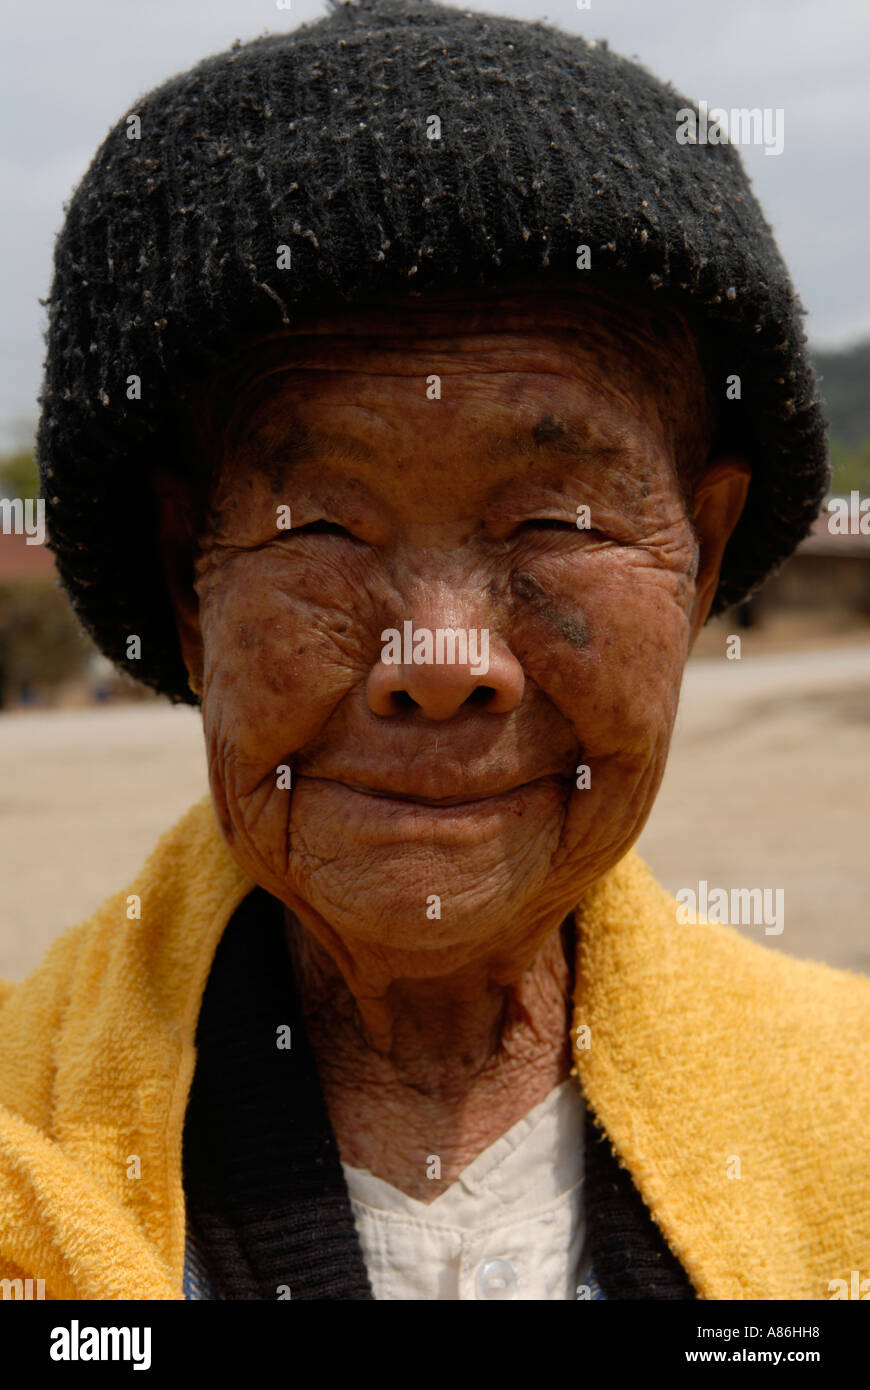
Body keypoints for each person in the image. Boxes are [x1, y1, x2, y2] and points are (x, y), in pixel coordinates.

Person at [1, 0, 867, 1301]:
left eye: (557, 520)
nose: (439, 655)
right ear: (192, 584)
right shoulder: (28, 1136)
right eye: (325, 525)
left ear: (696, 557)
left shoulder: (844, 1104)